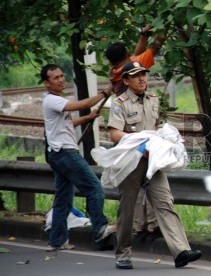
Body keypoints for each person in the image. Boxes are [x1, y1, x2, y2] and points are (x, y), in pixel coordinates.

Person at [107, 61, 201, 270]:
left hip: (153, 161)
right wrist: (141, 141)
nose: (142, 79)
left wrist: (165, 140)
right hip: (131, 162)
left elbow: (156, 127)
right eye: (136, 75)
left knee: (165, 202)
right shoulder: (119, 103)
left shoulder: (153, 99)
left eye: (144, 74)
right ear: (126, 80)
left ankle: (181, 251)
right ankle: (123, 254)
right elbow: (114, 134)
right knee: (127, 210)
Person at [41, 64, 116, 251]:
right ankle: (100, 228)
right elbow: (81, 105)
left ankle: (57, 241)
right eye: (55, 78)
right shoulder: (51, 100)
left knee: (63, 200)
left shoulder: (55, 101)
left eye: (61, 76)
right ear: (46, 83)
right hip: (65, 153)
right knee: (94, 187)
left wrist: (88, 118)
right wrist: (105, 94)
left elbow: (68, 123)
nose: (60, 80)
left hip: (57, 154)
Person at [105, 25, 166, 234]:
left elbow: (135, 56)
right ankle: (150, 225)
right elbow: (152, 50)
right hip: (137, 137)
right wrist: (164, 26)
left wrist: (143, 35)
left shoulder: (116, 71)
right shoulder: (131, 71)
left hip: (124, 140)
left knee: (138, 184)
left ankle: (142, 225)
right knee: (147, 180)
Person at [105, 24, 166, 96]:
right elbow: (155, 47)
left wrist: (144, 34)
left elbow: (136, 55)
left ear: (110, 63)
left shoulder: (114, 73)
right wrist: (164, 24)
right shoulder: (134, 67)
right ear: (127, 53)